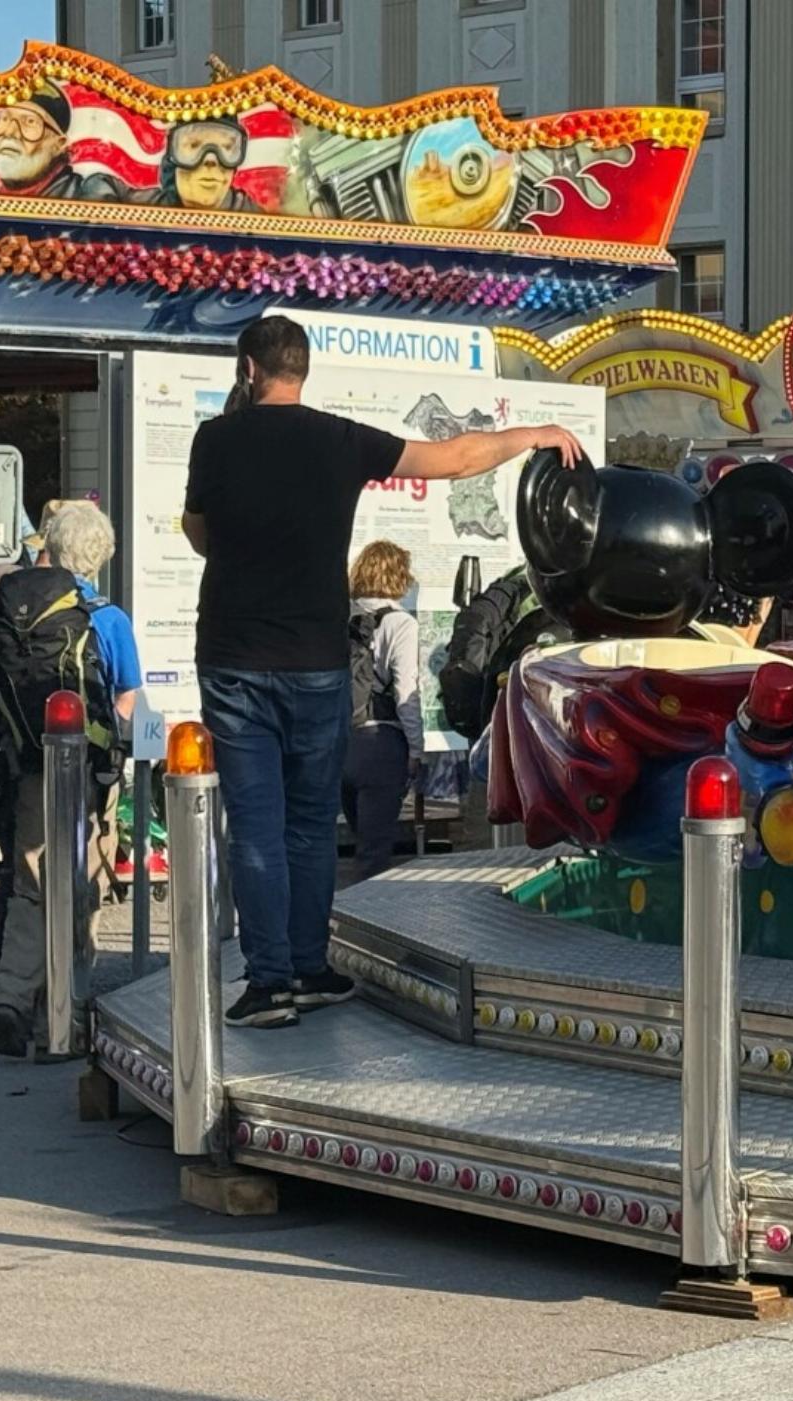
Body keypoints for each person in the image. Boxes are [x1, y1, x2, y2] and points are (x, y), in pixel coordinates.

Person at [182, 313, 584, 1030]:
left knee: (256, 826)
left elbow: (199, 534)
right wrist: (534, 435)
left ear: (247, 371)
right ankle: (310, 966)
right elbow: (455, 458)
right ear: (302, 372)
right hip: (315, 661)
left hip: (236, 660)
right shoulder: (339, 439)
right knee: (309, 823)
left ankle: (268, 981)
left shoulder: (216, 439)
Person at [0, 504, 141, 1061]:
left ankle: (8, 997)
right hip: (90, 774)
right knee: (83, 888)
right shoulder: (106, 616)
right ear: (100, 556)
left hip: (29, 764)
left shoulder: (18, 611)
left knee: (30, 884)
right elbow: (127, 699)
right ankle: (65, 1015)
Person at [343, 541, 424, 880]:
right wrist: (417, 749)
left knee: (354, 838)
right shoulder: (400, 624)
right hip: (381, 743)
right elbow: (407, 690)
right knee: (373, 856)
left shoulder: (341, 615)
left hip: (339, 740)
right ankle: (360, 925)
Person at [0, 82, 82, 199]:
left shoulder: (84, 195)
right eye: (4, 118)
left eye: (30, 121)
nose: (9, 132)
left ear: (59, 144)